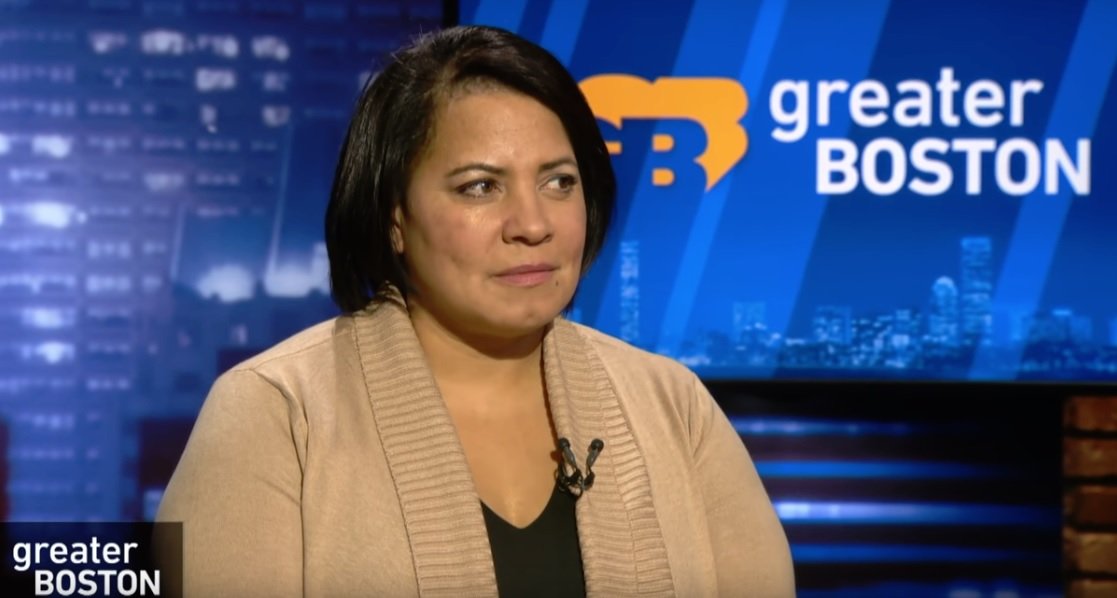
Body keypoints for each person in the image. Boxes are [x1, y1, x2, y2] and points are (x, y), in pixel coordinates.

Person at [157, 25, 794, 597]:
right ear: (394, 217)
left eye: (559, 182)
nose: (533, 224)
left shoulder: (673, 406)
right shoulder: (275, 413)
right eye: (481, 187)